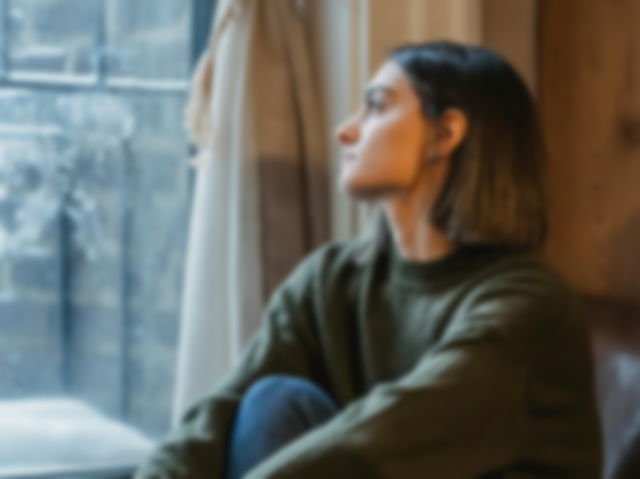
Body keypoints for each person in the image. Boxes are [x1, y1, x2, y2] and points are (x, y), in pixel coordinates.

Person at [135, 40, 603, 479]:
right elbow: (223, 411)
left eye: (376, 106)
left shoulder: (530, 304)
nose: (346, 130)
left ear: (446, 133)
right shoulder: (331, 280)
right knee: (273, 401)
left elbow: (390, 436)